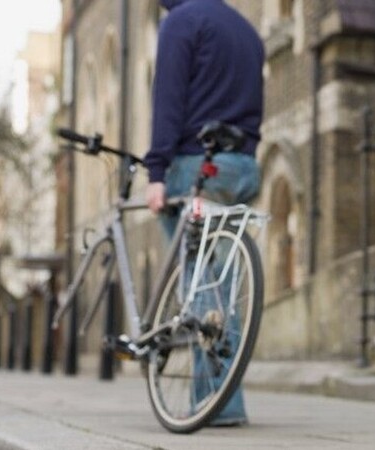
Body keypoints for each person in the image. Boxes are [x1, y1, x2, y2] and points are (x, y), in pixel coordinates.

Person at [144, 0, 264, 427]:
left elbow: (169, 99)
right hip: (243, 165)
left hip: (197, 165)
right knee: (224, 285)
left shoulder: (181, 21)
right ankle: (227, 400)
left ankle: (215, 404)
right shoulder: (247, 31)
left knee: (198, 286)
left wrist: (155, 169)